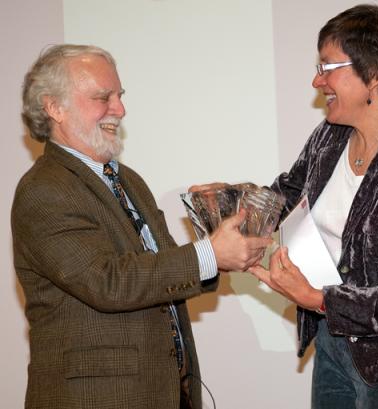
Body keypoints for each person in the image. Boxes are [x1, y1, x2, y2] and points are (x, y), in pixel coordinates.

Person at [11, 44, 271, 409]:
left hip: (163, 392)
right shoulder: (44, 189)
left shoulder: (127, 179)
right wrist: (209, 253)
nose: (120, 109)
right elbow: (107, 282)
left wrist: (217, 235)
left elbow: (159, 270)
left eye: (119, 96)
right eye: (103, 97)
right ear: (54, 107)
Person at [247, 4, 378, 409]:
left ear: (375, 76)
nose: (317, 80)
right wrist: (230, 205)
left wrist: (318, 299)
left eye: (328, 67)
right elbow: (286, 193)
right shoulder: (329, 137)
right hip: (335, 344)